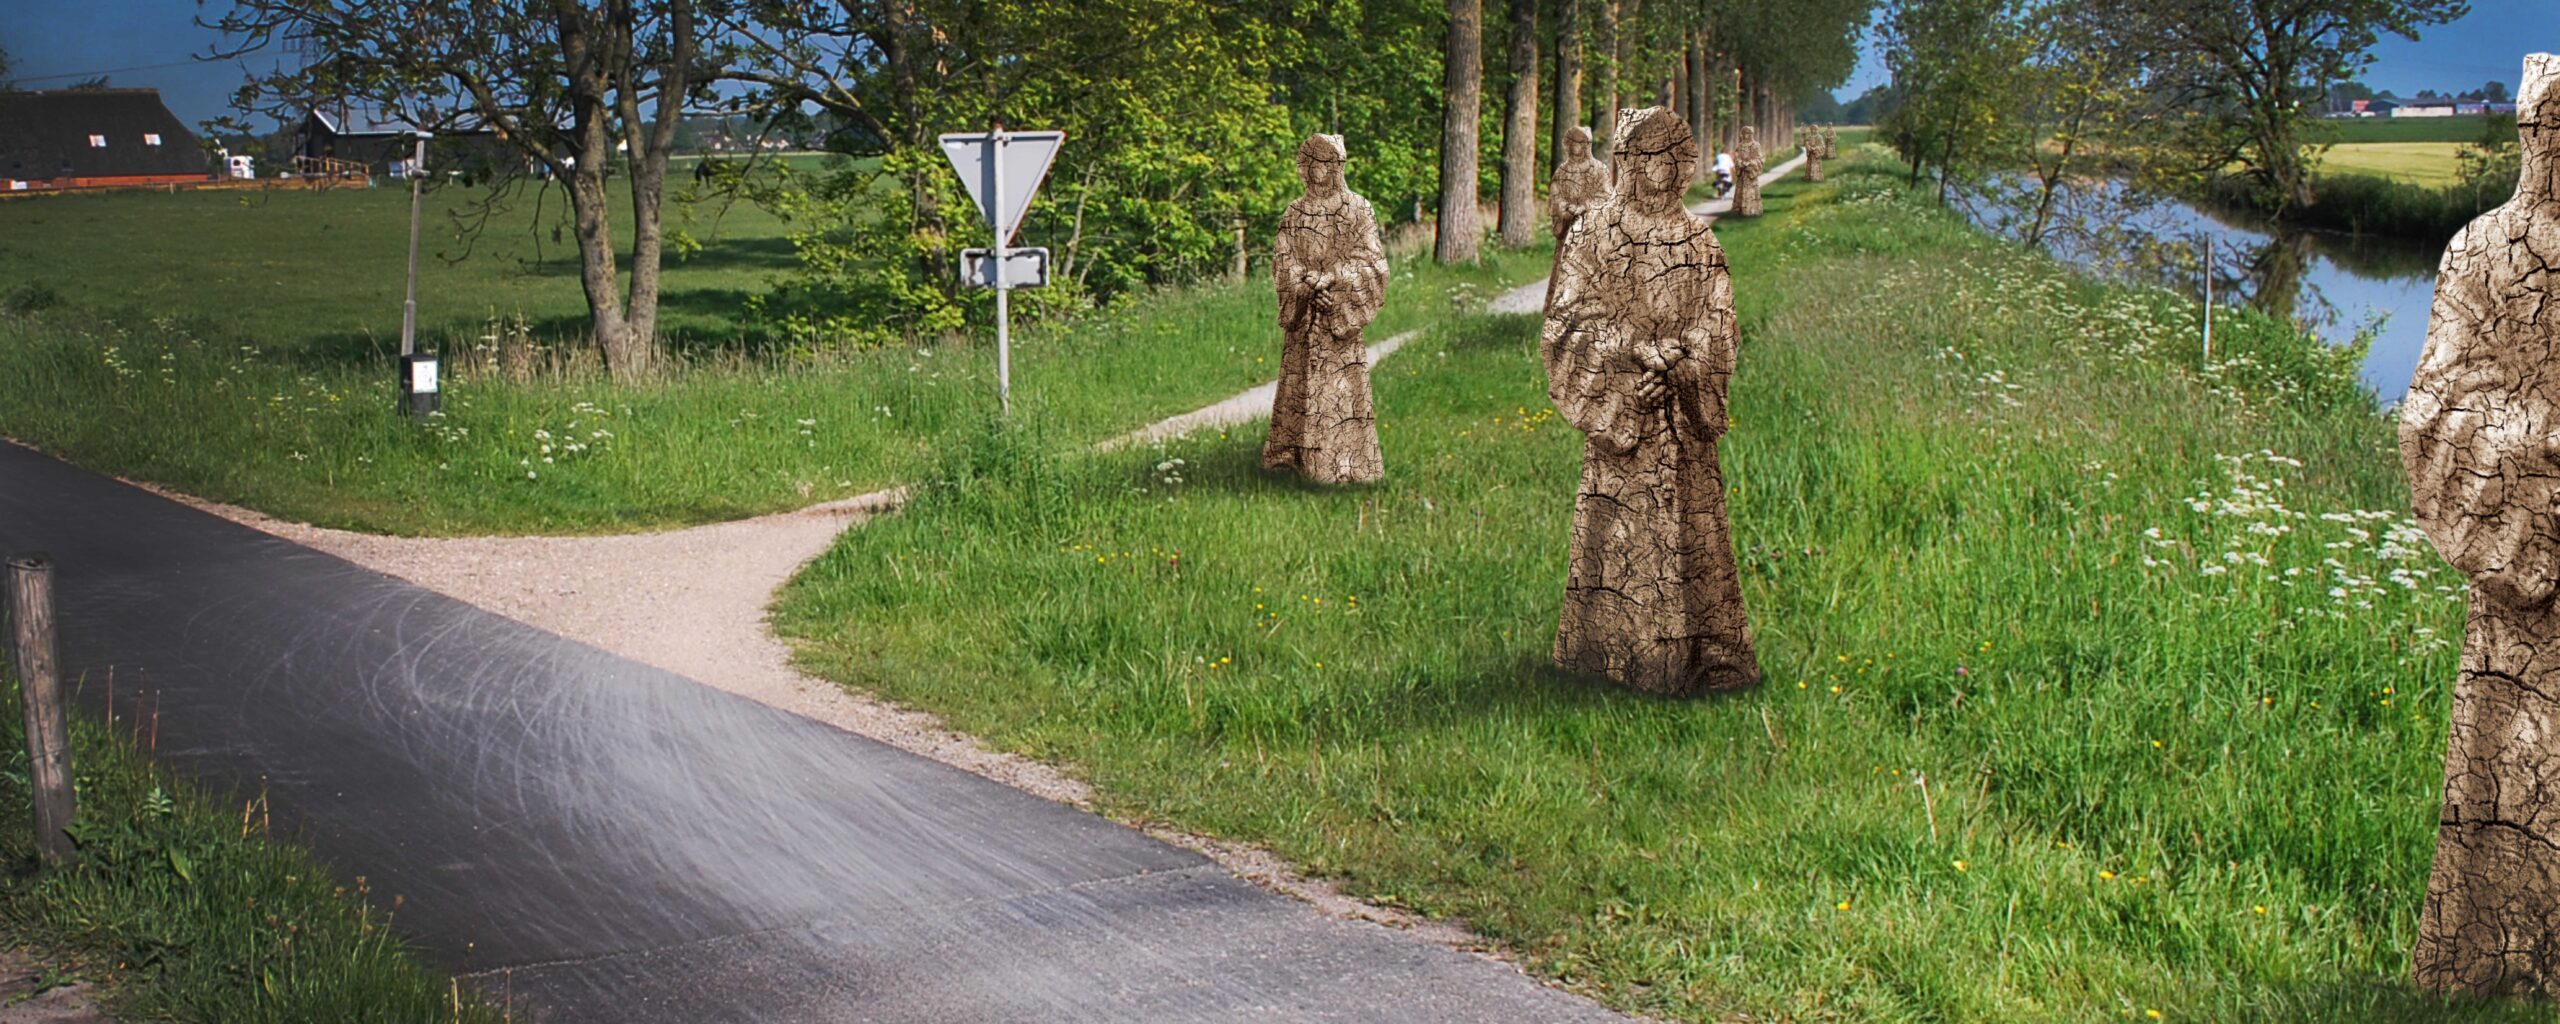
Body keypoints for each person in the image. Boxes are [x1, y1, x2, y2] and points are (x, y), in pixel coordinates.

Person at [1539, 107, 1759, 695]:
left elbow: (1720, 324)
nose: (1658, 168)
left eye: (1670, 156)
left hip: (1683, 421)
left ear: (1685, 163)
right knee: (1620, 535)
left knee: (1693, 535)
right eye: (1644, 155)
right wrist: (1634, 354)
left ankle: (1705, 660)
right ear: (1627, 161)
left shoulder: (1700, 240)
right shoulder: (1593, 233)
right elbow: (1567, 319)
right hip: (1623, 416)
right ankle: (1610, 657)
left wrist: (1683, 364)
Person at [1262, 134, 1388, 485]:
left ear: (1337, 166)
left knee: (1340, 392)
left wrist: (1332, 280)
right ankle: (1292, 456)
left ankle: (1346, 462)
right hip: (1305, 316)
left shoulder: (1357, 209)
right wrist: (1304, 285)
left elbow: (1372, 263)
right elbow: (1283, 261)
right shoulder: (1295, 212)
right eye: (1311, 161)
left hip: (1338, 317)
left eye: (1326, 162)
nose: (1318, 169)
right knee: (1298, 387)